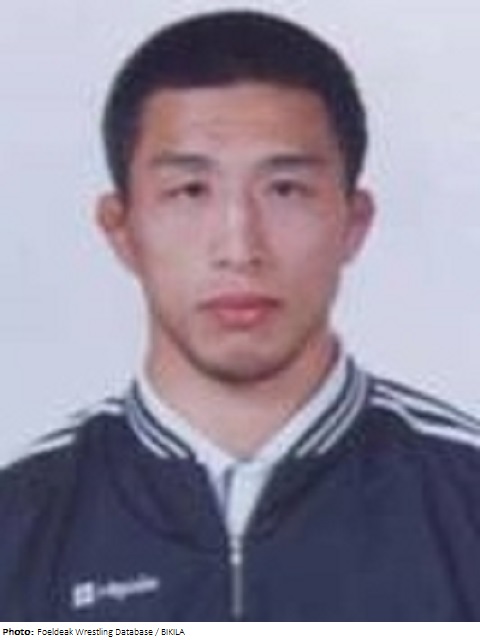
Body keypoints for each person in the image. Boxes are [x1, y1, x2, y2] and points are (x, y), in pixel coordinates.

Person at [1, 9, 480, 623]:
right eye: (190, 191)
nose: (239, 247)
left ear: (353, 224)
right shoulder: (20, 525)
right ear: (121, 230)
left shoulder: (465, 500)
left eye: (285, 190)